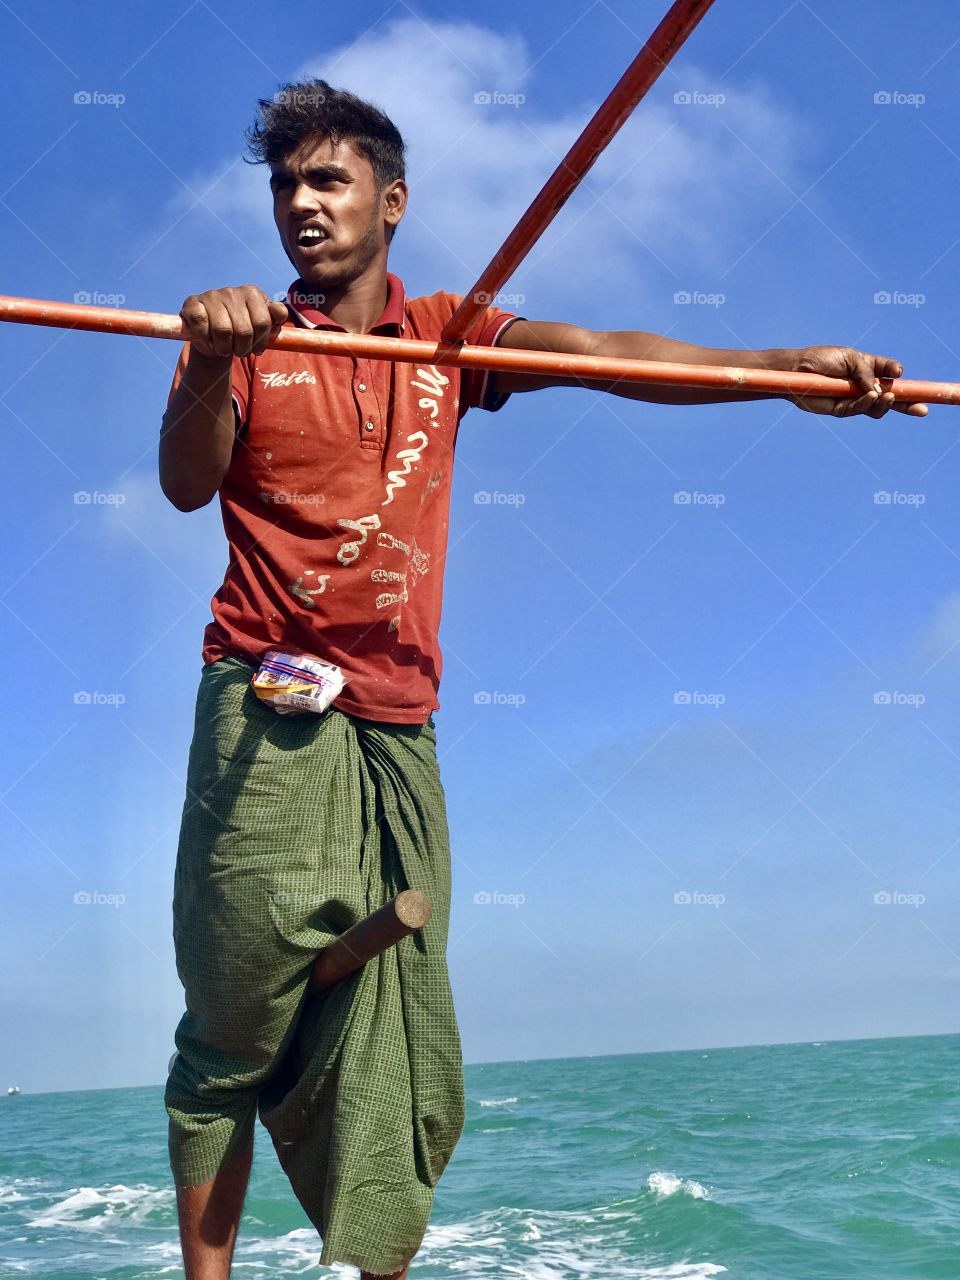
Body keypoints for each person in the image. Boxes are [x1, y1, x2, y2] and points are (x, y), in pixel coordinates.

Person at [158, 79, 925, 1280]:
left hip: (398, 725)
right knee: (234, 1018)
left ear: (391, 201)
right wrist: (210, 357)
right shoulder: (248, 335)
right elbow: (185, 484)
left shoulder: (450, 332)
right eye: (284, 187)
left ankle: (371, 1267)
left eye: (328, 181)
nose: (301, 206)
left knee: (402, 1025)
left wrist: (783, 365)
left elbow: (615, 355)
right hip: (264, 697)